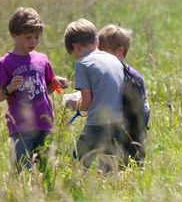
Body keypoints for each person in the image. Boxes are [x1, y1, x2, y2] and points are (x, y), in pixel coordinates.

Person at [0, 7, 68, 170]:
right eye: (28, 37)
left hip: (44, 123)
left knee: (46, 169)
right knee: (22, 170)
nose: (33, 42)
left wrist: (56, 83)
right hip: (21, 127)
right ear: (14, 35)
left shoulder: (42, 59)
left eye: (36, 37)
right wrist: (9, 88)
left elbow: (44, 89)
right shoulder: (5, 63)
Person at [63, 19, 128, 171]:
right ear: (97, 40)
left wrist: (74, 105)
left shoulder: (82, 63)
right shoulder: (113, 59)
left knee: (77, 165)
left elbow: (86, 101)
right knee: (109, 168)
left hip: (98, 123)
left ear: (75, 47)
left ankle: (71, 191)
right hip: (119, 121)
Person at [97, 24, 150, 162]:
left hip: (121, 133)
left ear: (120, 51)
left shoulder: (121, 77)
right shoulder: (134, 75)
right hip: (130, 133)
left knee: (115, 166)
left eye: (103, 54)